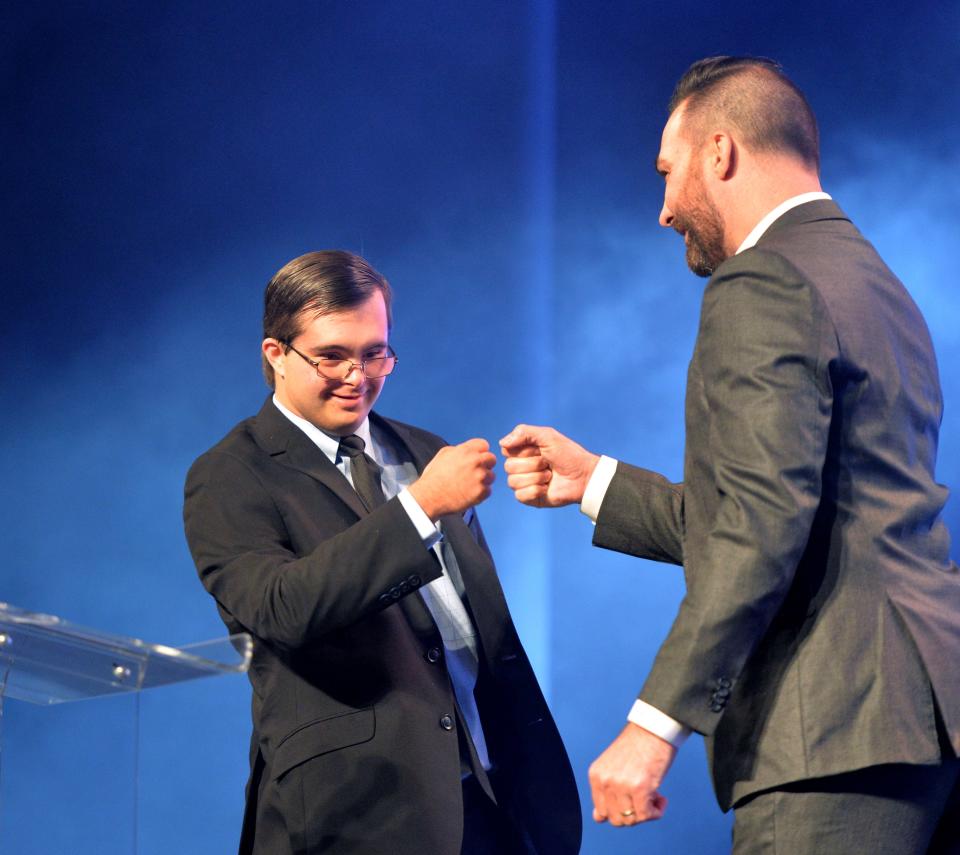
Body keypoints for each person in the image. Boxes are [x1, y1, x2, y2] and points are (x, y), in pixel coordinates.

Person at [500, 56, 960, 853]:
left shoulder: (763, 282)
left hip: (833, 733)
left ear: (720, 153)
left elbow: (759, 526)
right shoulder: (875, 283)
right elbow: (801, 510)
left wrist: (654, 726)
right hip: (919, 725)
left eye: (667, 172)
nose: (664, 208)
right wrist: (594, 482)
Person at [183, 250, 581, 855]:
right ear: (276, 356)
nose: (357, 374)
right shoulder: (232, 474)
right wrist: (419, 508)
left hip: (489, 801)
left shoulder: (424, 451)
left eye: (375, 353)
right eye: (332, 356)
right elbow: (281, 609)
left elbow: (476, 628)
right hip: (355, 815)